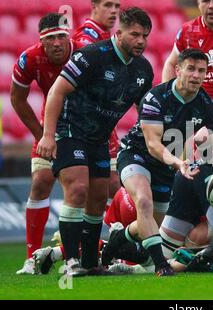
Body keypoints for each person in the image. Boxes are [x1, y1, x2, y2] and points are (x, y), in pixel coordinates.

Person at [36, 7, 154, 277]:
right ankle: (70, 262)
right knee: (77, 189)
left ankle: (90, 263)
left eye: (145, 36)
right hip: (70, 130)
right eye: (134, 34)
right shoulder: (91, 56)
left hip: (99, 137)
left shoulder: (143, 69)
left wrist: (151, 143)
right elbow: (57, 91)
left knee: (99, 197)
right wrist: (47, 134)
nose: (140, 41)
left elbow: (147, 112)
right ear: (119, 32)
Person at [101, 48, 213, 276]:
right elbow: (153, 144)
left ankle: (119, 237)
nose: (196, 75)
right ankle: (161, 267)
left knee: (149, 224)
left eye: (201, 71)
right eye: (191, 69)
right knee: (144, 202)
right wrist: (178, 163)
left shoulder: (210, 107)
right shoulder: (156, 97)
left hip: (167, 168)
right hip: (137, 155)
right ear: (178, 70)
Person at [11, 13, 76, 274]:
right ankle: (32, 259)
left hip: (86, 127)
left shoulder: (83, 54)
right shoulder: (29, 59)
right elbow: (17, 99)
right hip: (51, 126)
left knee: (106, 187)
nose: (57, 43)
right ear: (41, 41)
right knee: (40, 182)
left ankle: (107, 250)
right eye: (51, 38)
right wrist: (41, 135)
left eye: (62, 36)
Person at [73, 0, 122, 207]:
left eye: (117, 6)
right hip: (87, 122)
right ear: (93, 6)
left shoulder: (105, 37)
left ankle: (111, 235)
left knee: (108, 186)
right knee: (104, 186)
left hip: (102, 122)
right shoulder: (86, 38)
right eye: (108, 5)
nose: (114, 11)